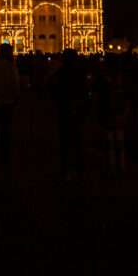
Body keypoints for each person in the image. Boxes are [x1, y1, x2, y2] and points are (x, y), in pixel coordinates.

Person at [53, 49, 90, 180]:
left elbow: (55, 90)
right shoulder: (81, 72)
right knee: (79, 141)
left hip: (64, 110)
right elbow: (85, 92)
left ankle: (67, 170)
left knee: (66, 142)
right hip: (78, 110)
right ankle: (82, 171)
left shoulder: (60, 73)